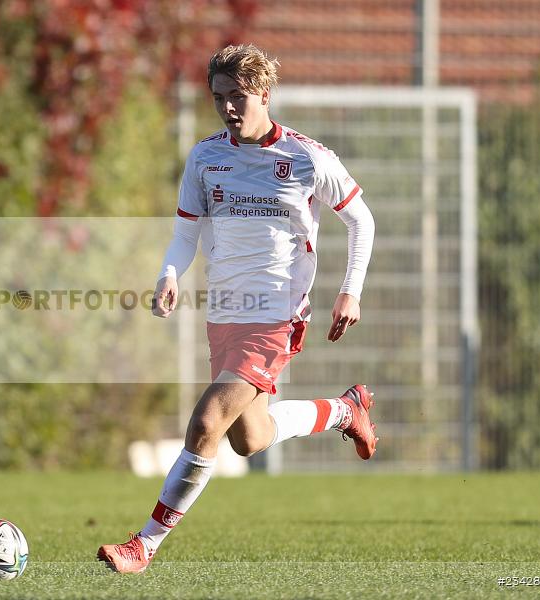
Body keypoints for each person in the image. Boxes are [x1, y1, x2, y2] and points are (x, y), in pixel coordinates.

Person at [96, 44, 378, 574]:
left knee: (207, 421)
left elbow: (362, 220)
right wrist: (168, 275)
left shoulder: (307, 158)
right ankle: (346, 410)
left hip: (277, 317)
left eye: (239, 97)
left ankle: (144, 545)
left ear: (264, 94)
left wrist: (351, 289)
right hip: (225, 315)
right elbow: (185, 232)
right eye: (220, 98)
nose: (229, 108)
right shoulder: (206, 157)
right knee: (250, 439)